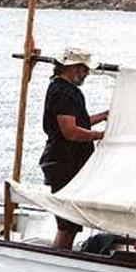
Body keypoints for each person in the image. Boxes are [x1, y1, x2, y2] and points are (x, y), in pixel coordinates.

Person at [39, 47, 108, 250]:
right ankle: (59, 260)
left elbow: (79, 124)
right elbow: (70, 132)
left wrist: (103, 116)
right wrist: (101, 135)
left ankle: (61, 257)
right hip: (65, 162)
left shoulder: (63, 90)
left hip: (68, 161)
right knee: (67, 224)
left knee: (70, 222)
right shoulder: (63, 92)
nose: (87, 74)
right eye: (84, 69)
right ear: (73, 68)